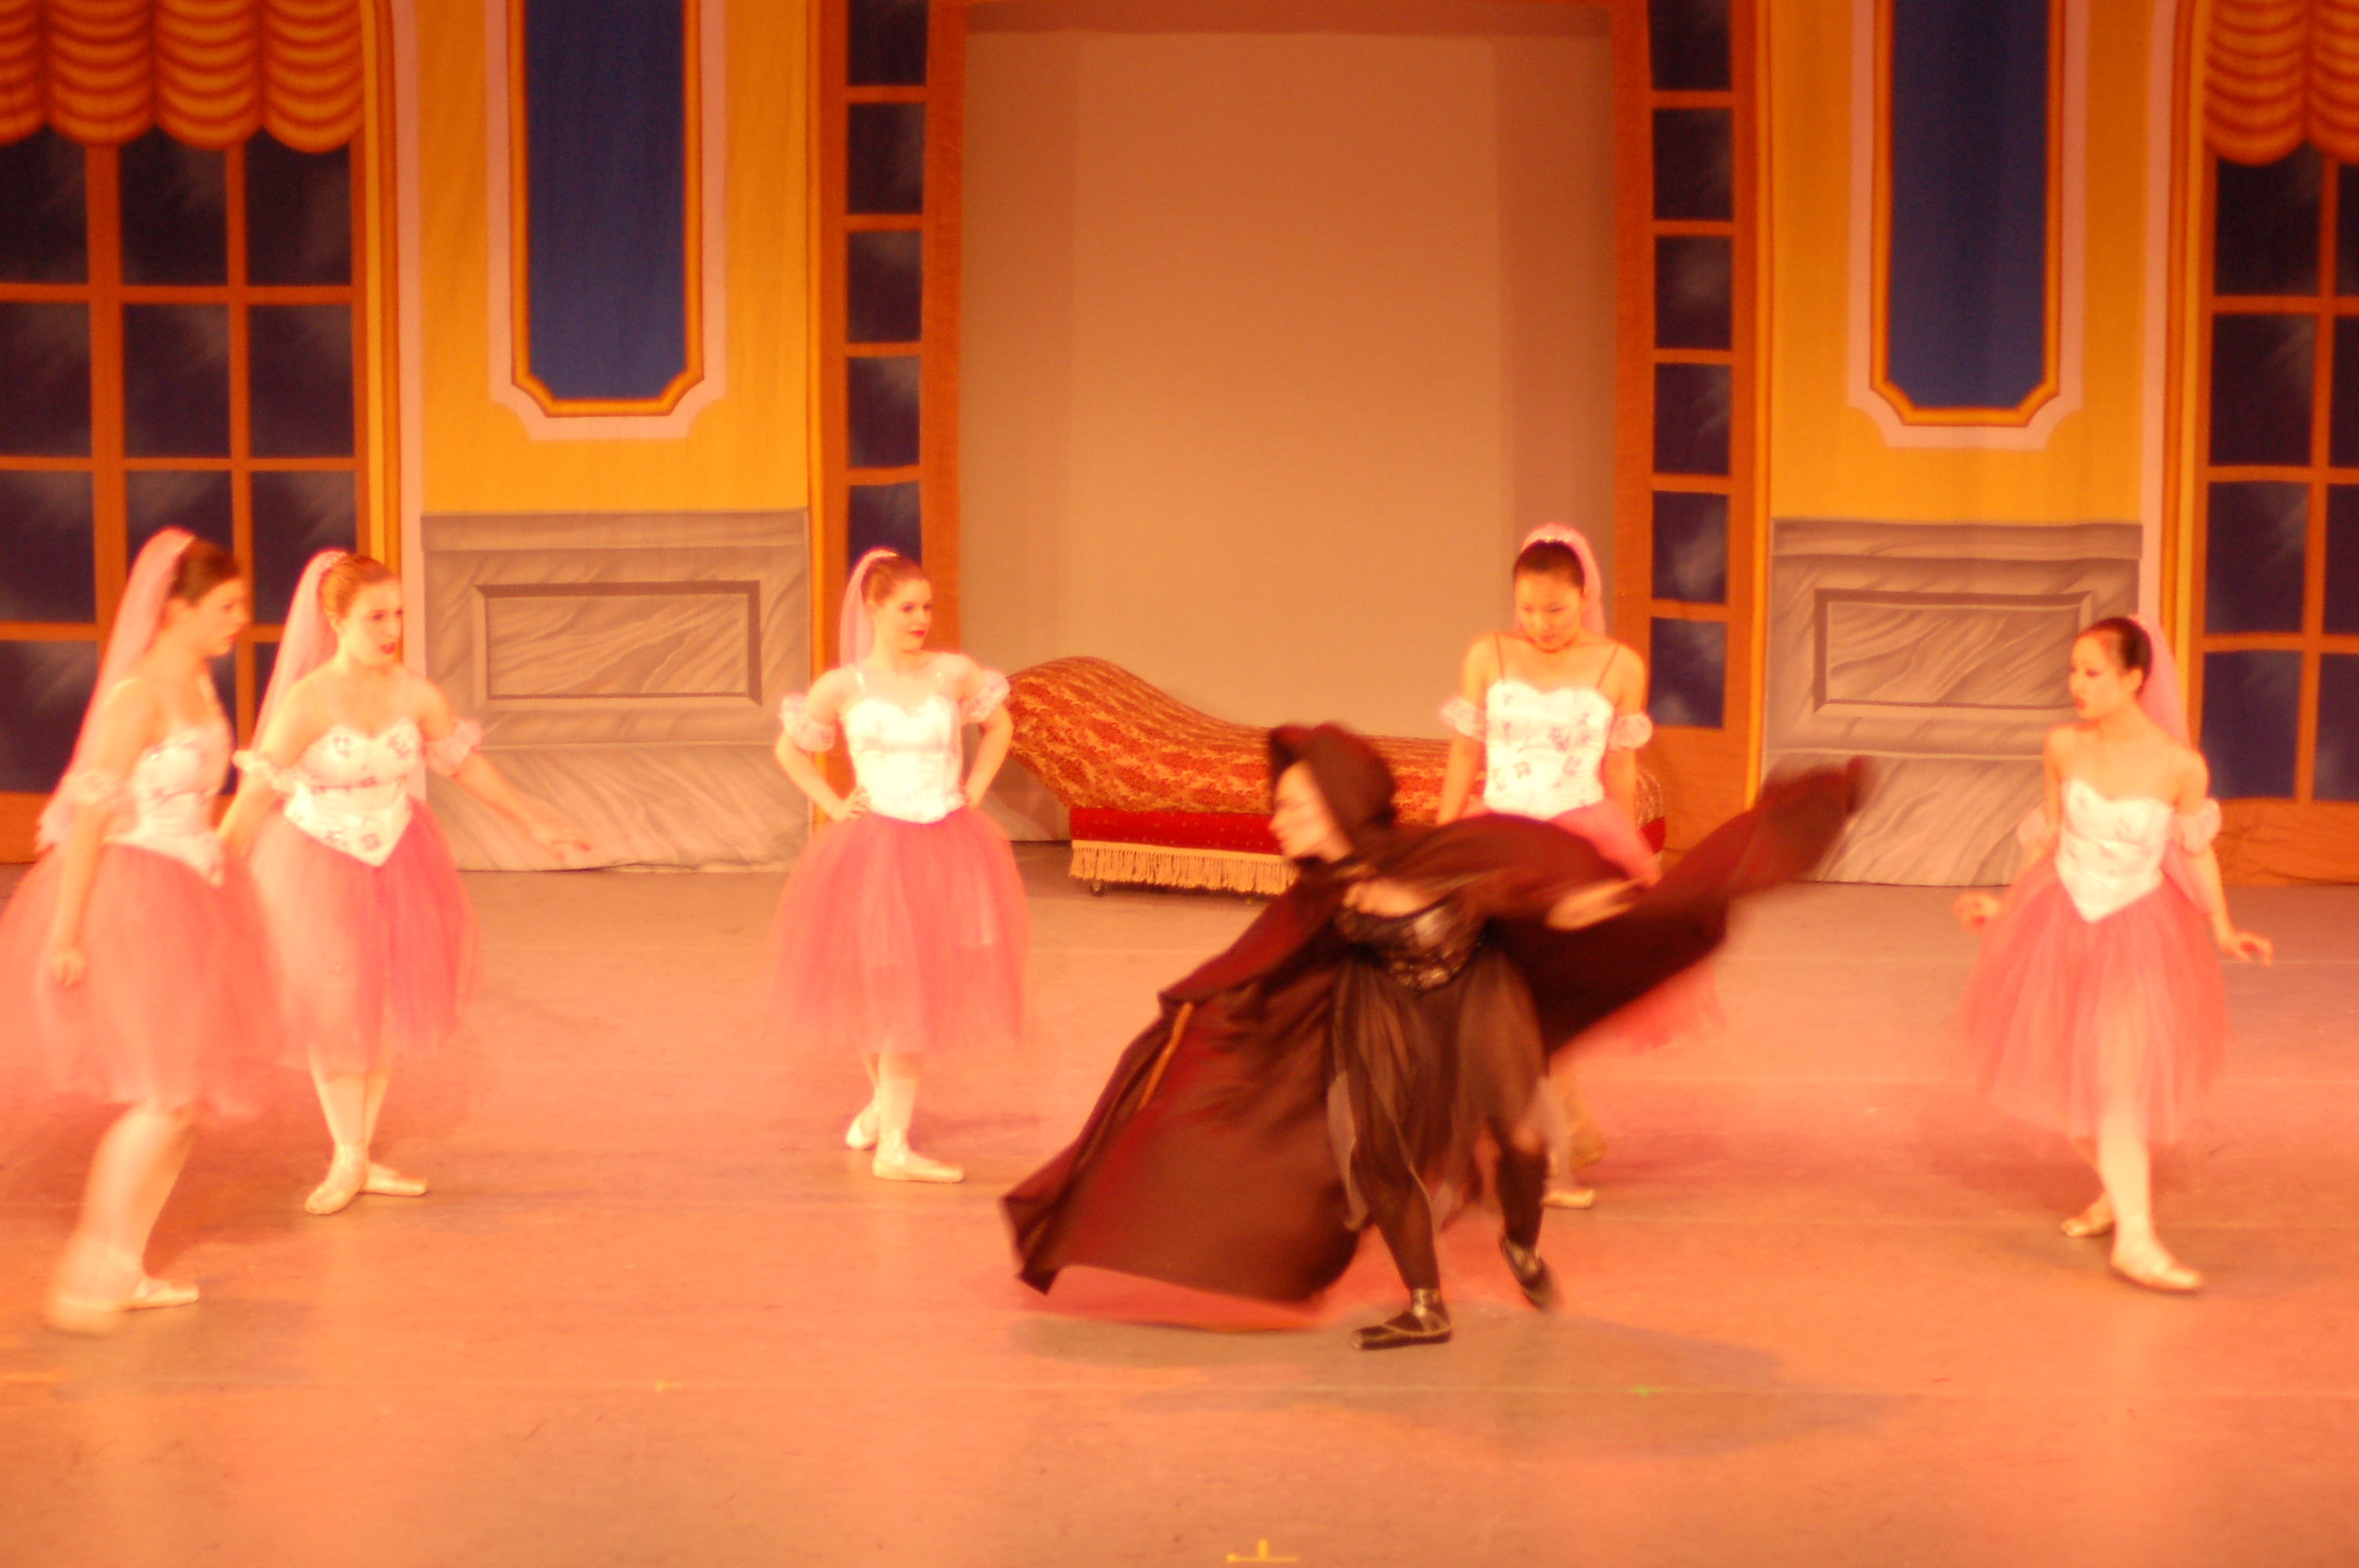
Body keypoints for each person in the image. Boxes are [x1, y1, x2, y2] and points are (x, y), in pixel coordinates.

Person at [1006, 724, 1863, 1348]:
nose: (1278, 820)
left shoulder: (1425, 855)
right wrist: (1196, 1012)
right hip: (1384, 1013)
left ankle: (1520, 1239)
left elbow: (1519, 885)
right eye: (1279, 805)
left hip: (1477, 996)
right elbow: (1260, 962)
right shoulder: (1319, 892)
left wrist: (1588, 905)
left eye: (1294, 805)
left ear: (1337, 804)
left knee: (1520, 1137)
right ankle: (1424, 1304)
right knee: (1382, 1157)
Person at [221, 552, 587, 1215]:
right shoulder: (307, 702)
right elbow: (254, 797)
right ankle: (347, 1155)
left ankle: (360, 1153)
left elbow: (465, 767)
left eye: (397, 614)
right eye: (375, 617)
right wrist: (215, 870)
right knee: (337, 1008)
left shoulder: (416, 694)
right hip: (319, 864)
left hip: (398, 856)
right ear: (336, 620)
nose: (391, 629)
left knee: (384, 1004)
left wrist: (535, 823)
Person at [0, 531, 281, 1332]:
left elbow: (202, 798)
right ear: (178, 610)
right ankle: (87, 1268)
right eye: (226, 606)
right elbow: (91, 815)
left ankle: (124, 1266)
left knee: (185, 1099)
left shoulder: (196, 679)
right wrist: (67, 929)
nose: (239, 619)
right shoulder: (137, 697)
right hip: (139, 900)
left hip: (198, 890)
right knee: (163, 1093)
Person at [1954, 616, 2270, 1293]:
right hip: (2058, 924)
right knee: (2068, 1090)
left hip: (2137, 935)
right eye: (2072, 670)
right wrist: (2005, 910)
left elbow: (2196, 851)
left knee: (2118, 1086)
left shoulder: (2179, 766)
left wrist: (2221, 927)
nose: (2077, 684)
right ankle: (2120, 1199)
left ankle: (2137, 1241)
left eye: (2092, 672)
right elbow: (2049, 839)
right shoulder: (2063, 745)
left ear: (2133, 679)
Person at [1435, 524, 1717, 1207]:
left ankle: (1546, 1151)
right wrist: (1439, 843)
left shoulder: (1618, 665)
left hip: (1573, 839)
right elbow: (1466, 753)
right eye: (1528, 609)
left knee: (1533, 1001)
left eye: (1556, 610)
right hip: (1497, 835)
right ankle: (1539, 1143)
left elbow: (1620, 768)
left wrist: (1625, 858)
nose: (1541, 624)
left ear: (1584, 597)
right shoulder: (1487, 654)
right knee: (1485, 998)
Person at [766, 549, 1028, 1184]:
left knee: (913, 989)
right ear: (874, 609)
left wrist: (975, 788)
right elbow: (790, 750)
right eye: (907, 607)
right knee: (882, 990)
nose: (920, 619)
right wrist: (834, 804)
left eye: (926, 607)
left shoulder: (953, 673)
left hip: (944, 846)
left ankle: (887, 1121)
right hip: (875, 852)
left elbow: (999, 727)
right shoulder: (844, 687)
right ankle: (894, 1148)